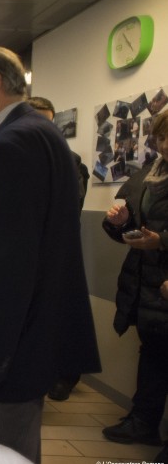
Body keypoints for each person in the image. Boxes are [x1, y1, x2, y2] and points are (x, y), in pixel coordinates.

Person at [0, 46, 100, 461]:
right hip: (23, 345)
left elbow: (9, 266)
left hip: (1, 361)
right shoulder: (38, 135)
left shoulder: (14, 144)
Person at [100, 110, 168, 448]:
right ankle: (143, 421)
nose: (166, 144)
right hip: (146, 282)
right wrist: (121, 222)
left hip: (162, 282)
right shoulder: (149, 174)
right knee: (153, 353)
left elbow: (159, 234)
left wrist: (162, 241)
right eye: (162, 137)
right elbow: (130, 229)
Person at [27, 95, 90, 402]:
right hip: (25, 260)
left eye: (46, 122)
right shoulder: (13, 156)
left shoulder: (70, 162)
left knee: (55, 323)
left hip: (53, 258)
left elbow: (70, 209)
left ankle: (60, 378)